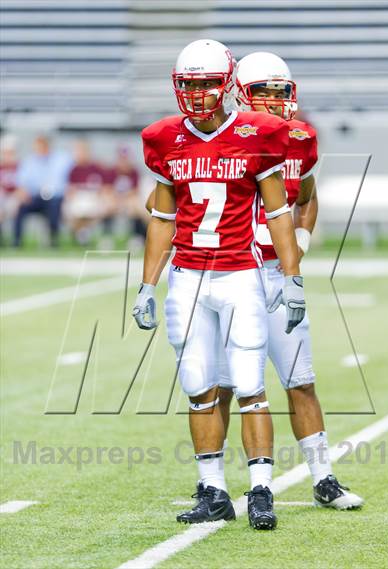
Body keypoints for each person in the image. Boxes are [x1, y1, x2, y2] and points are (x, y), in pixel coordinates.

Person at [132, 39, 305, 530]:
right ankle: (212, 490)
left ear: (227, 84)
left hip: (240, 274)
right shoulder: (166, 138)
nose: (198, 94)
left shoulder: (258, 133)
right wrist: (147, 285)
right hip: (187, 278)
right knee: (198, 388)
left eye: (207, 83)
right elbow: (162, 217)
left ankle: (262, 490)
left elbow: (278, 214)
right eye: (189, 84)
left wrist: (291, 278)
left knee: (250, 385)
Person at [227, 51, 363, 510]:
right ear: (240, 94)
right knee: (234, 386)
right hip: (230, 273)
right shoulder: (223, 140)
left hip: (278, 274)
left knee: (300, 380)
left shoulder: (300, 138)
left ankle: (324, 478)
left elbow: (306, 196)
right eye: (261, 91)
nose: (271, 100)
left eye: (279, 92)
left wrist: (299, 242)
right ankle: (225, 483)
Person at [13, 135, 73, 247]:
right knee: (20, 207)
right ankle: (17, 241)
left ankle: (53, 239)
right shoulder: (29, 161)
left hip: (55, 197)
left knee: (54, 207)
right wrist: (23, 193)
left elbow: (68, 179)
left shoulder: (61, 159)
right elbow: (22, 183)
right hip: (35, 197)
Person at [63, 140, 113, 246]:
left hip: (95, 198)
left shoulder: (97, 168)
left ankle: (103, 236)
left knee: (107, 206)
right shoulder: (74, 170)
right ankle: (81, 234)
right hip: (79, 198)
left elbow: (106, 187)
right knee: (71, 211)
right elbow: (70, 189)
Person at [105, 146, 148, 248]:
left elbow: (136, 190)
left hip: (128, 200)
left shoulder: (134, 172)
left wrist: (124, 197)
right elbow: (107, 189)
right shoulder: (112, 172)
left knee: (135, 207)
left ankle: (137, 236)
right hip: (115, 199)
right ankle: (107, 236)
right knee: (109, 205)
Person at [0, 134, 19, 245]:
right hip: (2, 196)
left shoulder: (19, 167)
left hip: (14, 196)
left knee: (15, 207)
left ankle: (15, 239)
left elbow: (22, 185)